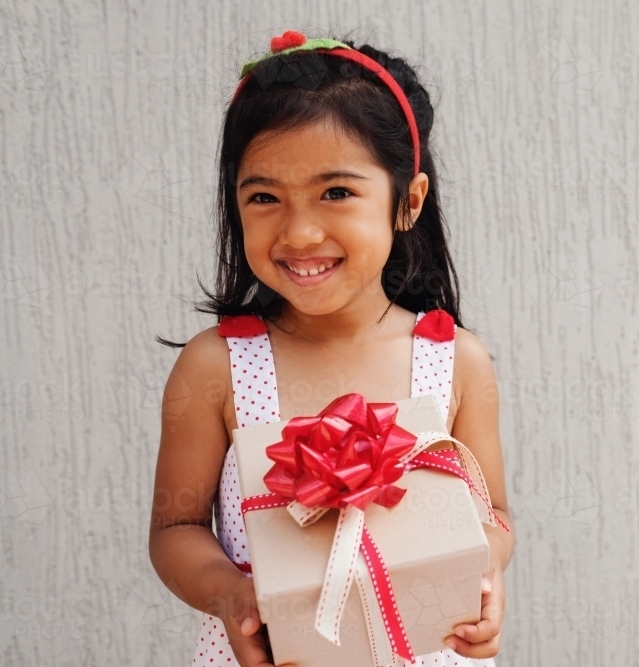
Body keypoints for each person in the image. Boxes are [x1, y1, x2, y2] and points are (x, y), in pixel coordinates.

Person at [147, 30, 516, 667]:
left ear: (408, 202)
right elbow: (175, 530)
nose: (300, 231)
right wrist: (233, 597)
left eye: (336, 192)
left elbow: (496, 515)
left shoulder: (455, 359)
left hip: (420, 646)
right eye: (263, 197)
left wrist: (483, 581)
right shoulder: (217, 366)